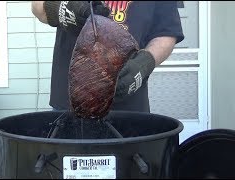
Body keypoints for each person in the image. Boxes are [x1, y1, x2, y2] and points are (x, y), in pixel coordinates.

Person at [31, 1, 184, 113]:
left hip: (129, 106)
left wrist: (142, 65)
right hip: (69, 103)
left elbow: (166, 33)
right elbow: (38, 7)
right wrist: (63, 9)